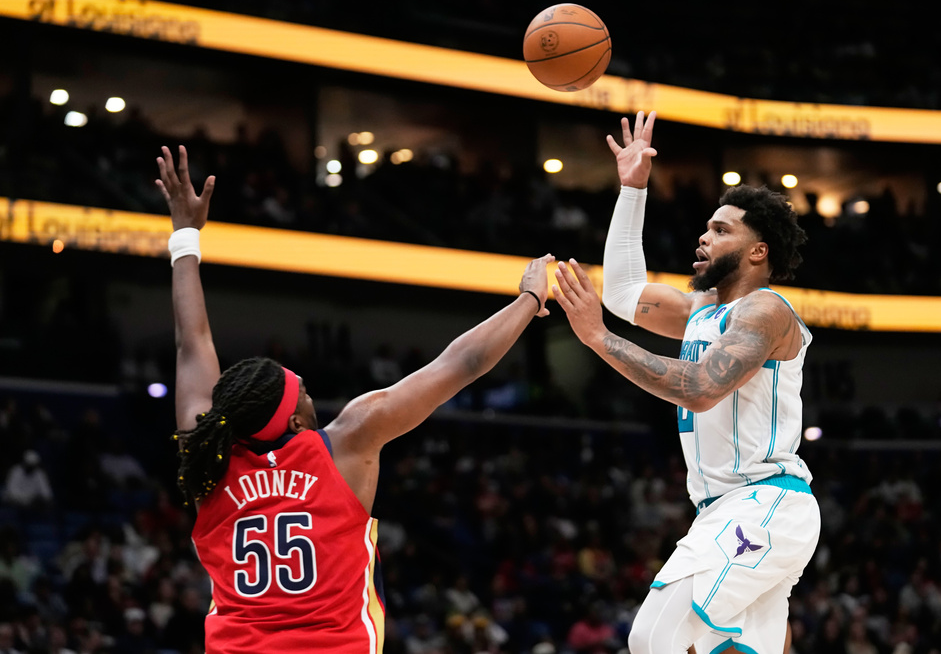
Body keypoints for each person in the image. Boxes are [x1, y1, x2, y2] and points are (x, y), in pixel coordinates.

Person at [155, 145, 554, 653]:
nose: (308, 390)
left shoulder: (207, 460)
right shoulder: (345, 443)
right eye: (302, 389)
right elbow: (460, 364)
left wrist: (184, 235)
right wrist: (529, 299)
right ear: (297, 420)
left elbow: (192, 344)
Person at [550, 112, 819, 654]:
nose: (704, 235)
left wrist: (600, 341)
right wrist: (632, 189)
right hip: (720, 510)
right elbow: (624, 292)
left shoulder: (765, 311)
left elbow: (699, 387)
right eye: (707, 226)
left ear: (757, 250)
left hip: (764, 502)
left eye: (721, 230)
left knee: (655, 638)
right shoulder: (702, 311)